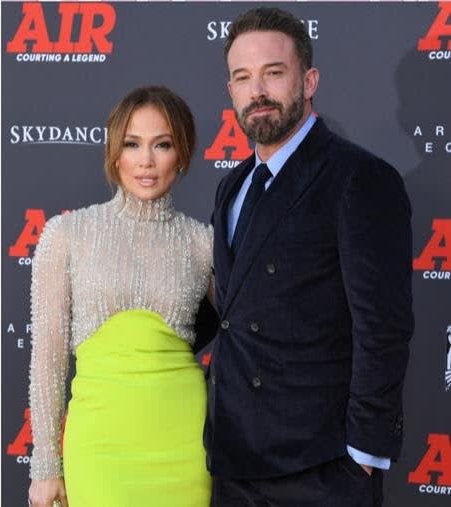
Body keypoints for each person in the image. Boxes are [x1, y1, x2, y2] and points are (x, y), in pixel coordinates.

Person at [206, 7, 413, 506]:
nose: (257, 91)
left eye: (273, 73)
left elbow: (382, 328)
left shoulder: (358, 179)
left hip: (322, 470)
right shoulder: (231, 186)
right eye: (242, 77)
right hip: (234, 463)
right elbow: (230, 314)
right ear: (231, 91)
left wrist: (363, 454)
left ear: (309, 79)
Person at [27, 86, 214, 507]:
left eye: (162, 145)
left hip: (184, 443)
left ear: (181, 153)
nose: (146, 161)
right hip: (98, 445)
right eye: (132, 144)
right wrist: (45, 466)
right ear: (114, 152)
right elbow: (49, 357)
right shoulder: (67, 235)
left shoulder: (203, 243)